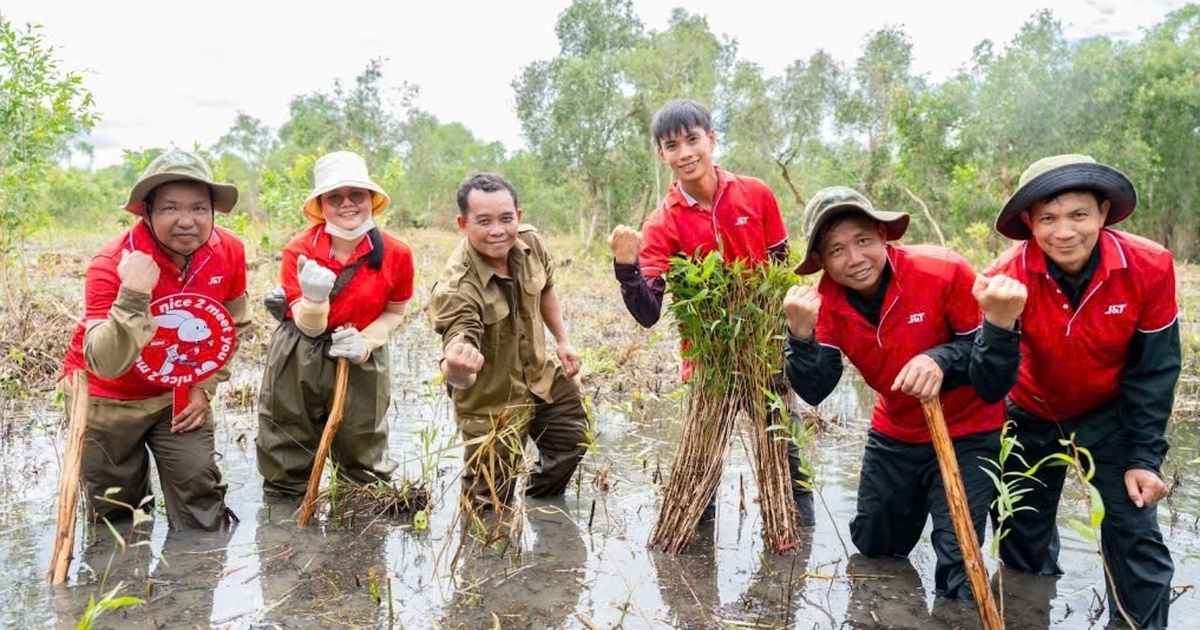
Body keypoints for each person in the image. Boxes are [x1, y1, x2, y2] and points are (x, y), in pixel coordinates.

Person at [783, 186, 1026, 601]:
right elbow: (816, 388)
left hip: (968, 429)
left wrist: (939, 359)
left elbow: (989, 372)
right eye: (837, 250)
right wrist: (800, 335)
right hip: (896, 430)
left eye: (863, 241)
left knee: (959, 562)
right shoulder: (823, 301)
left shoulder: (943, 270)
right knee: (876, 549)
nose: (855, 259)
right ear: (821, 261)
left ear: (883, 235)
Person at [984, 154, 1180, 629]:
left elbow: (1154, 371)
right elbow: (989, 383)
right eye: (1048, 218)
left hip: (1110, 413)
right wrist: (999, 323)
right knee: (1019, 539)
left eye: (1078, 215)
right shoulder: (1004, 277)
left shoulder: (1150, 265)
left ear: (1103, 213)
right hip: (1030, 411)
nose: (1064, 232)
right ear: (1029, 222)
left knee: (1133, 531)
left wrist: (1144, 457)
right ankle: (1029, 617)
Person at [606, 98, 814, 525]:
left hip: (766, 356)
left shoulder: (756, 194)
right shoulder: (662, 223)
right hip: (708, 364)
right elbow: (648, 312)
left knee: (789, 465)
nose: (684, 153)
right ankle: (693, 568)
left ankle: (797, 544)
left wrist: (788, 342)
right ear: (660, 154)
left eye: (692, 140)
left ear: (711, 139)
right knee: (700, 474)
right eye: (671, 145)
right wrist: (626, 267)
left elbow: (781, 271)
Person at [59, 148, 249, 530]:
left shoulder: (228, 251)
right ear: (146, 212)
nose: (186, 221)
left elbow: (232, 325)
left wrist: (202, 386)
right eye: (169, 209)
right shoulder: (111, 264)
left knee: (201, 499)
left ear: (214, 210)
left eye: (199, 208)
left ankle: (195, 583)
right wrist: (133, 295)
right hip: (107, 399)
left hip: (176, 394)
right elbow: (106, 362)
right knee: (116, 513)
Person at [256, 151, 414, 497]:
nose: (347, 204)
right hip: (300, 350)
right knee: (287, 447)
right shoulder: (298, 250)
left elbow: (395, 311)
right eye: (335, 197)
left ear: (371, 200)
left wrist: (367, 343)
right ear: (321, 204)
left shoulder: (396, 253)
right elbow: (308, 327)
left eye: (356, 194)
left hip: (361, 351)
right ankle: (288, 535)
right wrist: (314, 300)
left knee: (364, 455)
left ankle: (359, 534)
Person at [428, 173, 587, 510]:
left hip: (541, 374)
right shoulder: (457, 287)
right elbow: (459, 349)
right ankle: (486, 556)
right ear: (463, 223)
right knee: (488, 500)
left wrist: (562, 340)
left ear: (519, 215)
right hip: (492, 398)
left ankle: (538, 508)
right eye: (483, 221)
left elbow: (546, 287)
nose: (497, 230)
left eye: (506, 218)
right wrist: (456, 369)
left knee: (572, 437)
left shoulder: (531, 244)